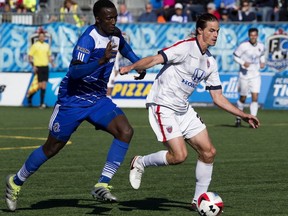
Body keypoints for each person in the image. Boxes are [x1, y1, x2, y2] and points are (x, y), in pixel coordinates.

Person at [5, 0, 145, 212]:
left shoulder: (115, 33)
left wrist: (137, 64)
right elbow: (74, 73)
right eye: (109, 18)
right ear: (97, 19)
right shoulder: (88, 40)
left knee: (125, 131)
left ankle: (102, 184)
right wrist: (100, 61)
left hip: (97, 99)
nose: (113, 21)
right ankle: (16, 181)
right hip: (73, 100)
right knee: (52, 147)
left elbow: (125, 47)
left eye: (115, 17)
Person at [120, 13, 260, 212]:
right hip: (163, 105)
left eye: (218, 31)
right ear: (200, 30)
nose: (215, 35)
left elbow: (218, 97)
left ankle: (196, 201)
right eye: (211, 30)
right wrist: (132, 67)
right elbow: (155, 59)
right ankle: (140, 162)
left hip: (183, 109)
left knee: (209, 152)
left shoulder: (211, 63)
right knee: (179, 156)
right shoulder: (185, 47)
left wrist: (243, 114)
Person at [233, 28, 265, 127]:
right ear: (249, 36)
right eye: (251, 35)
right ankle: (238, 118)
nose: (253, 37)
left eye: (255, 35)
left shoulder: (261, 46)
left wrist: (262, 62)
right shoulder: (243, 46)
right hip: (244, 75)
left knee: (255, 97)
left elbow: (262, 55)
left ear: (257, 36)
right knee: (243, 98)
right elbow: (235, 56)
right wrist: (243, 63)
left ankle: (253, 119)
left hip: (255, 75)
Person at [27, 31, 55, 108]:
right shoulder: (35, 45)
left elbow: (49, 56)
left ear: (44, 37)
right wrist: (33, 66)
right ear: (38, 37)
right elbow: (30, 56)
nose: (42, 37)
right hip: (38, 67)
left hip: (45, 67)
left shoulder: (47, 46)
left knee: (44, 85)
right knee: (39, 86)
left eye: (43, 36)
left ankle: (41, 103)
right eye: (40, 36)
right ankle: (30, 97)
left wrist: (52, 63)